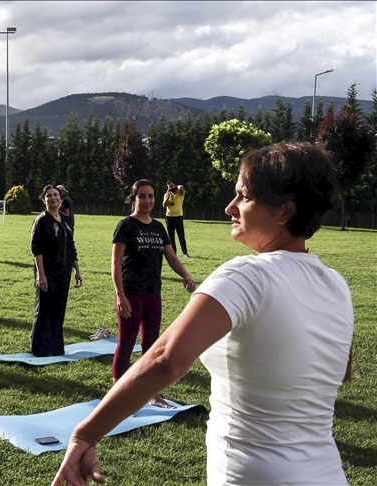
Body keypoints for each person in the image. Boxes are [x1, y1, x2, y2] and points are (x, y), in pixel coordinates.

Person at [52, 143, 353, 486]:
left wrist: (85, 435)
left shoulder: (245, 276)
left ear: (285, 212)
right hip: (327, 474)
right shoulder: (336, 284)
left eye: (244, 197)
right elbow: (339, 370)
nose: (230, 207)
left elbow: (164, 360)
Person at [111, 179, 196, 408]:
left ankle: (152, 394)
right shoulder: (126, 225)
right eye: (142, 196)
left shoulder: (158, 227)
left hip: (152, 294)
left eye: (150, 196)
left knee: (150, 345)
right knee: (126, 343)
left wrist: (186, 276)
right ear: (134, 198)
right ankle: (119, 396)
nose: (147, 200)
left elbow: (171, 258)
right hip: (131, 293)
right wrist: (120, 295)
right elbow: (115, 263)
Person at [30, 185, 82, 357]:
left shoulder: (66, 220)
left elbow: (72, 246)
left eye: (56, 195)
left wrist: (76, 269)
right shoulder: (41, 221)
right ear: (44, 199)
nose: (53, 198)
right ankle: (39, 349)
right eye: (49, 195)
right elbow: (36, 249)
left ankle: (56, 347)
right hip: (47, 271)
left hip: (64, 271)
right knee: (44, 308)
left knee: (59, 309)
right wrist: (41, 275)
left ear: (61, 198)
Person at [162, 180, 189, 257]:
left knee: (181, 235)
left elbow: (181, 188)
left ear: (175, 185)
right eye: (169, 187)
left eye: (171, 186)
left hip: (178, 217)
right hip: (169, 217)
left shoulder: (180, 193)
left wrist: (179, 186)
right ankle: (174, 252)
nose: (170, 188)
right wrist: (168, 196)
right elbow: (164, 205)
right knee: (171, 237)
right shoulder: (166, 195)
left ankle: (185, 252)